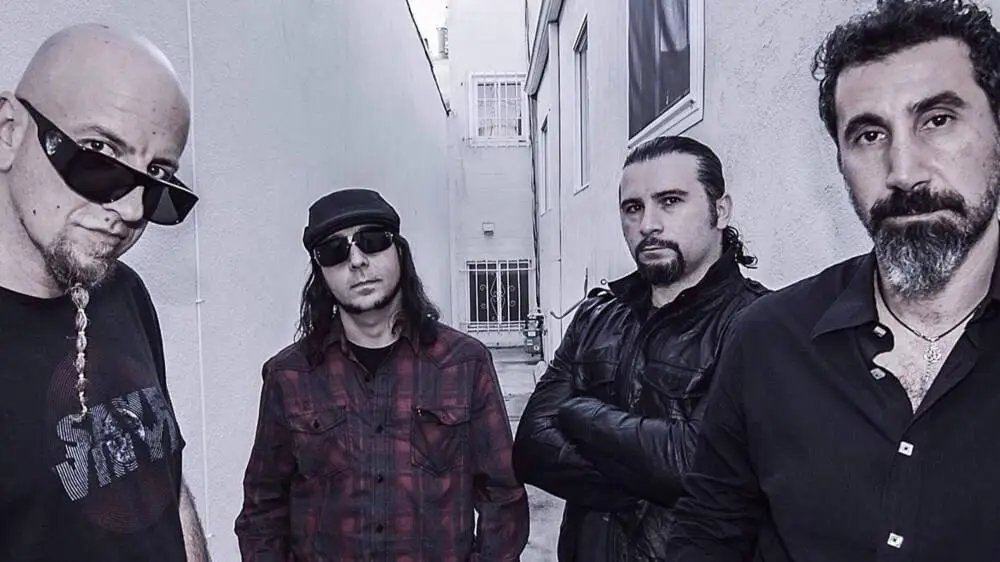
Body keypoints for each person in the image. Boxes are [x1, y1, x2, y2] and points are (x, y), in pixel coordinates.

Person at [665, 1, 1000, 560]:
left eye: (938, 120)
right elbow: (708, 533)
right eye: (869, 135)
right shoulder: (769, 339)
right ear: (841, 161)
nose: (903, 172)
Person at [0, 24, 208, 562]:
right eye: (97, 152)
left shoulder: (124, 293)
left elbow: (162, 479)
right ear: (8, 131)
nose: (132, 210)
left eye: (157, 175)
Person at [234, 188, 529, 561]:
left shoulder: (464, 364)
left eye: (372, 241)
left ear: (399, 252)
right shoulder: (288, 376)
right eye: (334, 251)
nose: (357, 261)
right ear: (320, 272)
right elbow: (262, 508)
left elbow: (503, 495)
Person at [511, 136, 768, 561]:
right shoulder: (598, 313)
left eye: (670, 201)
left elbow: (702, 464)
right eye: (633, 208)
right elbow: (532, 447)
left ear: (720, 210)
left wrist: (579, 412)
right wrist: (648, 483)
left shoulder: (759, 323)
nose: (648, 224)